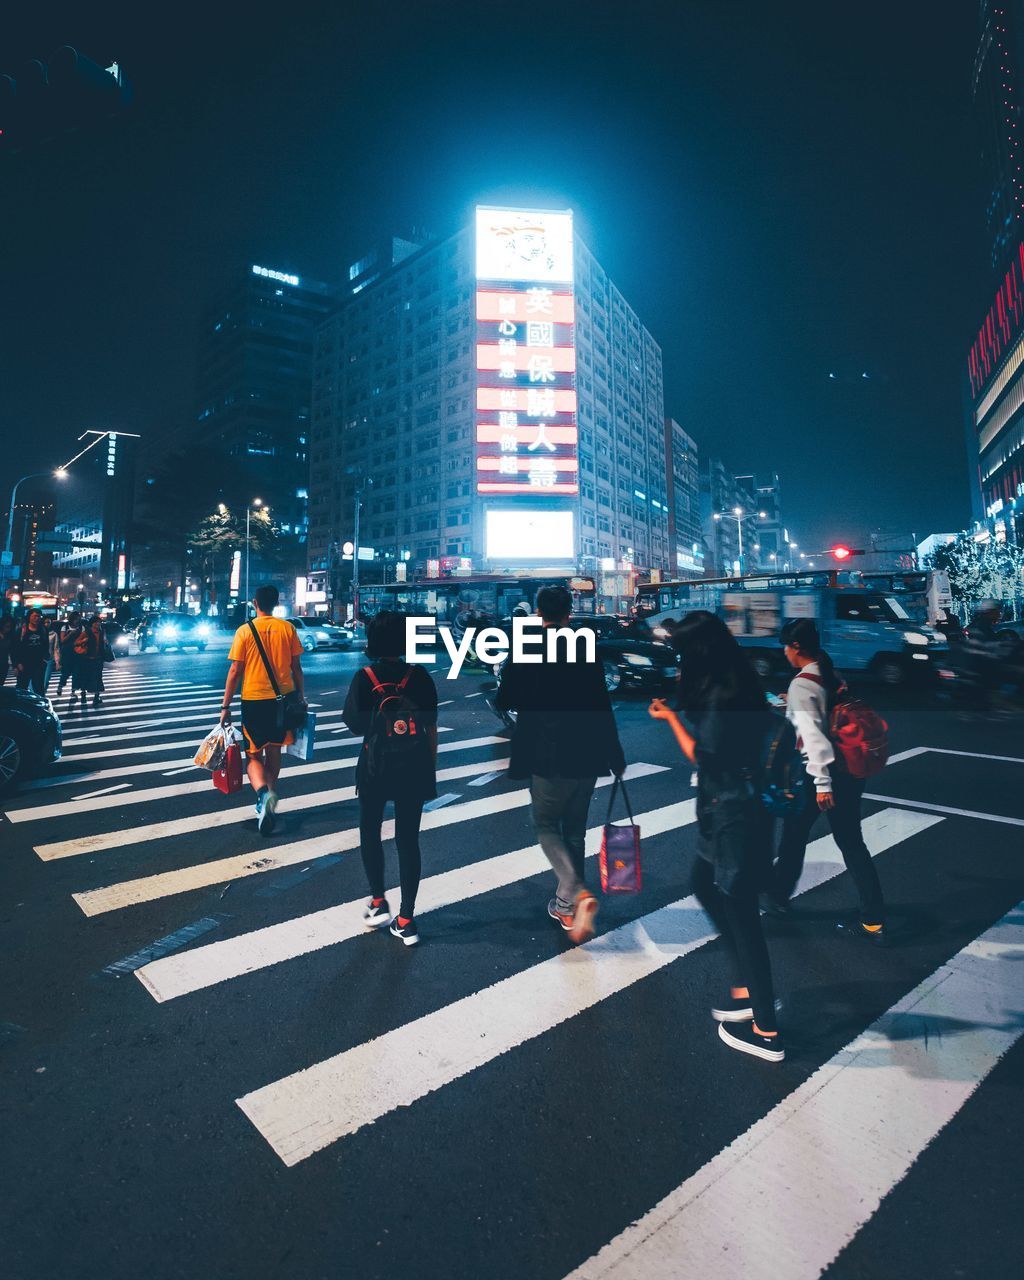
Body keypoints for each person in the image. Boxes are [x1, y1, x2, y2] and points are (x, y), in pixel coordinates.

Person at [648, 611, 784, 1063]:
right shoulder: (739, 680)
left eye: (682, 653)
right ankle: (747, 989)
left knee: (742, 914)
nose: (678, 662)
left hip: (733, 815)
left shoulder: (721, 699)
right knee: (702, 884)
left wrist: (669, 717)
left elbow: (702, 758)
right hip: (734, 809)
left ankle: (767, 1029)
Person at [495, 584, 626, 945]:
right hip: (588, 752)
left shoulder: (527, 648)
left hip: (547, 754)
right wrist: (615, 753)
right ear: (570, 612)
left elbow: (505, 696)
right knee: (574, 831)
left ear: (539, 613)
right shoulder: (585, 648)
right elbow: (601, 703)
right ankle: (567, 905)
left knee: (545, 825)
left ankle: (574, 890)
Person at [767, 617, 887, 943]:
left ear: (795, 647)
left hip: (822, 776)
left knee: (793, 838)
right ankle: (873, 918)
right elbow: (825, 712)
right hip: (848, 772)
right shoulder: (826, 671)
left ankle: (777, 899)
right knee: (850, 842)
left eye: (785, 646)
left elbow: (812, 738)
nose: (784, 653)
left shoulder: (802, 684)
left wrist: (821, 785)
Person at [342, 610, 438, 946]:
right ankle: (407, 918)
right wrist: (431, 767)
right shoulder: (420, 676)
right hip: (414, 767)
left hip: (374, 767)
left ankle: (378, 901)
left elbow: (354, 724)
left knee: (370, 830)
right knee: (408, 840)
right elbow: (430, 727)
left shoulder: (364, 677)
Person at [220, 585, 306, 835]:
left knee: (254, 757)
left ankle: (263, 795)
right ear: (276, 603)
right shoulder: (287, 628)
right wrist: (301, 696)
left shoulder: (245, 631)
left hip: (255, 700)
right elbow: (296, 668)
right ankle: (268, 800)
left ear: (255, 603)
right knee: (274, 750)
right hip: (283, 700)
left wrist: (225, 706)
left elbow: (235, 671)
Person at [72, 615, 112, 708]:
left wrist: (106, 643)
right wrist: (84, 640)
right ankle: (83, 694)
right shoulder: (87, 632)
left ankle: (96, 697)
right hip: (87, 659)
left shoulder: (102, 632)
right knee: (85, 677)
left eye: (99, 622)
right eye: (96, 622)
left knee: (98, 678)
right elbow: (76, 643)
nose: (98, 624)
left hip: (98, 659)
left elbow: (106, 642)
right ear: (92, 623)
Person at [12, 609, 49, 695]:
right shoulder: (22, 630)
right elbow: (15, 648)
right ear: (29, 617)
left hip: (39, 664)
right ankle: (21, 706)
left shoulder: (43, 630)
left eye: (39, 616)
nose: (37, 618)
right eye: (34, 616)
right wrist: (17, 663)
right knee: (22, 688)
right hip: (24, 664)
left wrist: (45, 659)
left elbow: (46, 645)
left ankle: (39, 706)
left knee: (39, 688)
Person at [55, 612, 83, 697]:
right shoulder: (65, 627)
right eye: (75, 619)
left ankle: (73, 691)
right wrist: (71, 634)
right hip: (67, 653)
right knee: (65, 672)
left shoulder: (81, 628)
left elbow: (85, 638)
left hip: (78, 653)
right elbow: (62, 640)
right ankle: (60, 686)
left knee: (76, 673)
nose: (76, 621)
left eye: (78, 619)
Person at [0, 616, 13, 685]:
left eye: (10, 627)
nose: (8, 629)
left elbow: (12, 651)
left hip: (4, 664)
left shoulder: (9, 637)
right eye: (7, 626)